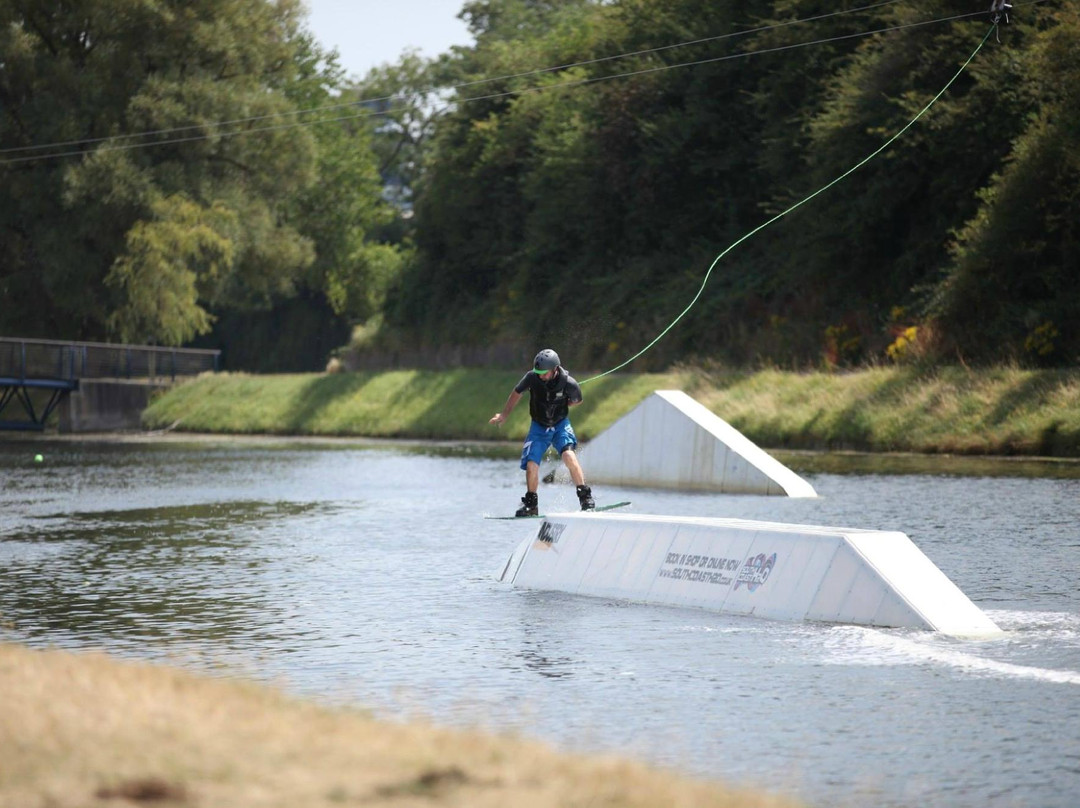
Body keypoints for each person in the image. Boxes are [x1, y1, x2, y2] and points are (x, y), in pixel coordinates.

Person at [489, 348, 595, 516]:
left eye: (544, 373)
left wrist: (562, 405)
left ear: (555, 369)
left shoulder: (569, 383)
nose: (541, 376)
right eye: (538, 372)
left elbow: (578, 401)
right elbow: (517, 393)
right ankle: (531, 505)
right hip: (538, 427)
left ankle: (585, 498)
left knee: (569, 456)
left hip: (560, 425)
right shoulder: (532, 377)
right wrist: (504, 415)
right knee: (531, 465)